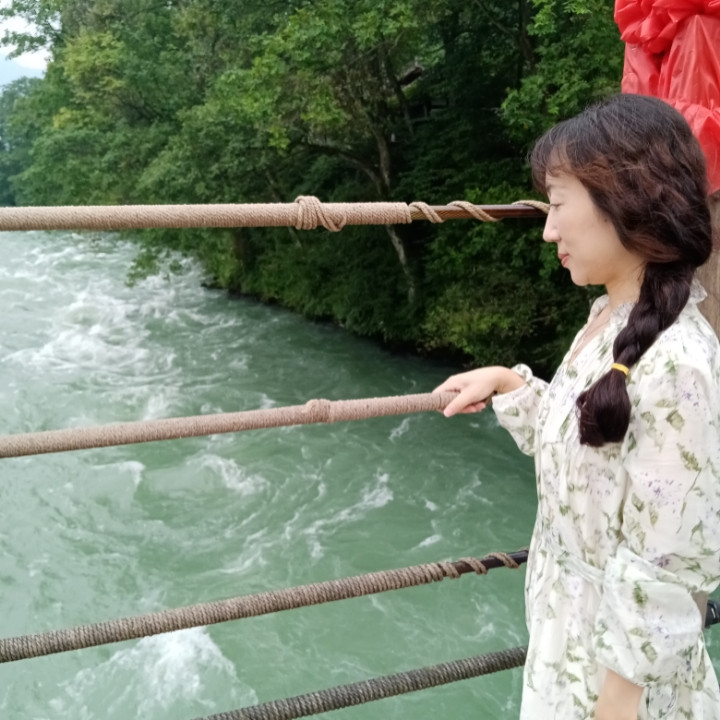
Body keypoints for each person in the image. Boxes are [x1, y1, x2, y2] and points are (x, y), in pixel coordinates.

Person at [434, 93, 720, 719]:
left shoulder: (678, 363)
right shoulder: (609, 319)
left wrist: (615, 705)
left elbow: (670, 563)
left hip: (619, 683)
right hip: (567, 644)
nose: (548, 229)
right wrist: (513, 387)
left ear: (628, 199)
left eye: (559, 204)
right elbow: (596, 449)